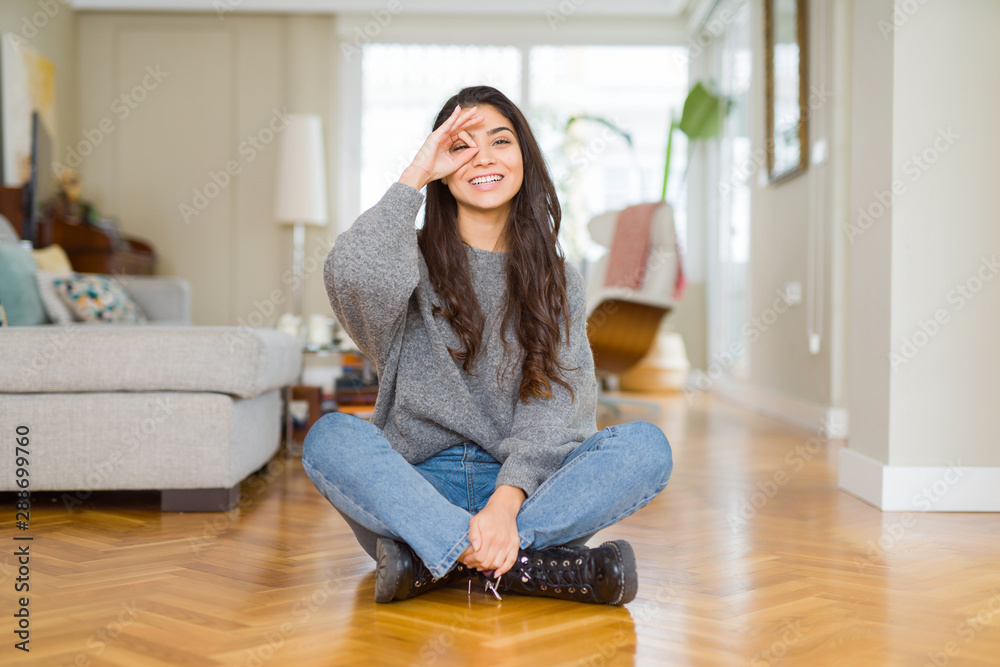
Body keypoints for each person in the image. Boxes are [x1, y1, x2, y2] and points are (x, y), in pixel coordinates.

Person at [302, 86, 672, 606]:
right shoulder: (402, 258)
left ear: (524, 158)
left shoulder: (557, 277)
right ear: (441, 168)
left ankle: (430, 563)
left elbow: (557, 405)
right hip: (418, 491)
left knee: (646, 448)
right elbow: (351, 276)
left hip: (527, 495)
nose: (483, 157)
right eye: (461, 147)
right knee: (330, 438)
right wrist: (414, 173)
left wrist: (506, 502)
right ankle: (527, 567)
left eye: (500, 141)